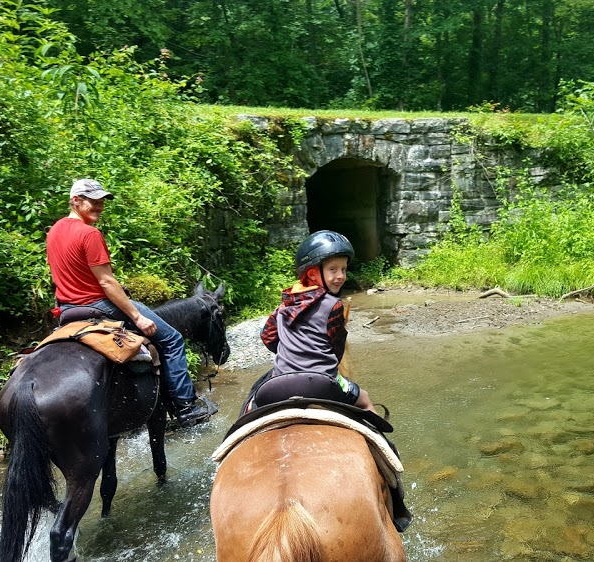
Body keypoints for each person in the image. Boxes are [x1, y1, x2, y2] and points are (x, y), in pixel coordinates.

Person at [46, 178, 212, 427]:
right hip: (98, 305)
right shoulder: (89, 234)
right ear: (75, 200)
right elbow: (106, 283)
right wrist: (137, 317)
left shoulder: (55, 230)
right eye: (93, 201)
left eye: (102, 201)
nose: (100, 206)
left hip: (68, 310)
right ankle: (185, 407)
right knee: (172, 340)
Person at [245, 230, 376, 414]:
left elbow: (267, 336)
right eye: (333, 269)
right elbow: (337, 348)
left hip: (278, 384)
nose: (340, 276)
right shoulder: (334, 305)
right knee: (365, 399)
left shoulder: (286, 304)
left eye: (343, 269)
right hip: (322, 385)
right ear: (313, 274)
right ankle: (385, 442)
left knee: (249, 409)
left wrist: (291, 351)